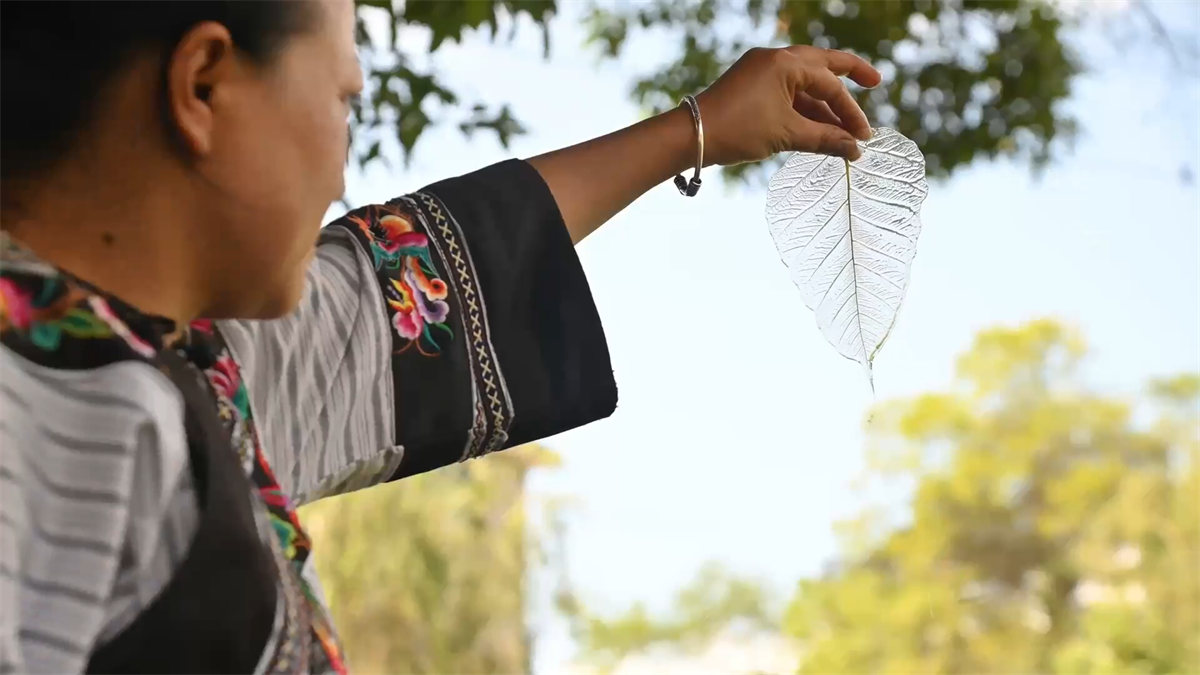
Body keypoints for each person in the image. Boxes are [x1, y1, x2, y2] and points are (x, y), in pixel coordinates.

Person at [0, 0, 880, 673]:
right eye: (345, 97)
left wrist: (695, 130)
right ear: (204, 87)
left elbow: (398, 285)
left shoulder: (193, 369)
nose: (344, 168)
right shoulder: (40, 410)